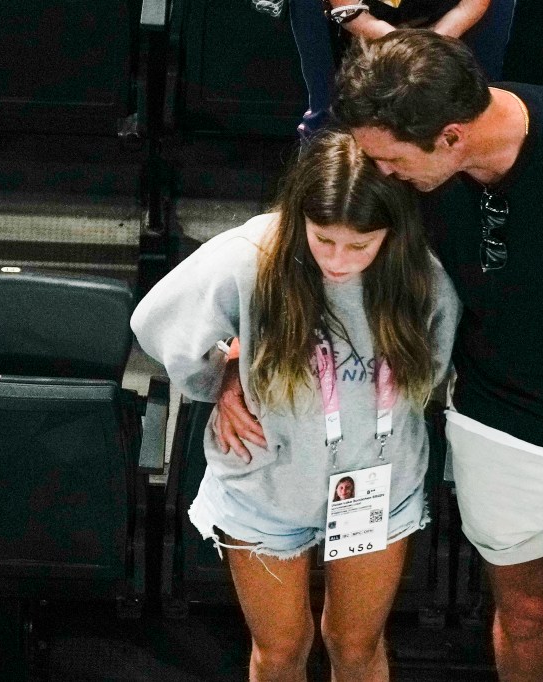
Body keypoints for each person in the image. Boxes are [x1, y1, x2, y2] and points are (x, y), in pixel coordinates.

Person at [217, 31, 543, 681]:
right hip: (498, 430)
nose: (380, 176)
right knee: (524, 620)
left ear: (452, 137)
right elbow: (315, 253)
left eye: (390, 161)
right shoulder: (408, 161)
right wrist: (239, 355)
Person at [131, 129, 460, 681]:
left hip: (376, 483)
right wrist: (219, 380)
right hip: (269, 481)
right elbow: (156, 321)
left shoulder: (419, 274)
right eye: (323, 239)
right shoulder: (254, 252)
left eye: (360, 245)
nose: (338, 260)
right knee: (280, 650)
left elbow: (434, 365)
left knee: (356, 646)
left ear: (390, 233)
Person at [287, 0, 516, 138]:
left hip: (452, 14)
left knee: (471, 108)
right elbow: (347, 8)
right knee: (329, 113)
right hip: (355, 14)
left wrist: (431, 42)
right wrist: (403, 45)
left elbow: (472, 4)